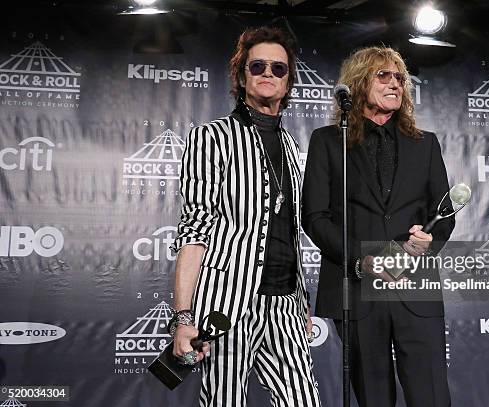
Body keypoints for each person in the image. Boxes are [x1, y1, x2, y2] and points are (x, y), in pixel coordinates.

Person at [169, 26, 321, 407]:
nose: (268, 73)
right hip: (228, 304)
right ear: (242, 76)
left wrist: (300, 301)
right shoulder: (211, 137)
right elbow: (194, 229)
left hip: (285, 303)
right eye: (258, 66)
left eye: (279, 68)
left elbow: (286, 230)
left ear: (288, 83)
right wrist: (183, 318)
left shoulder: (290, 145)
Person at [302, 46, 454, 407]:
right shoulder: (328, 141)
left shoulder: (426, 144)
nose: (395, 83)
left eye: (399, 77)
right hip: (356, 290)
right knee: (373, 398)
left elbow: (444, 212)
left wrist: (428, 242)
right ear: (357, 83)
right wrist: (363, 259)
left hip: (414, 285)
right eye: (383, 75)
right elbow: (315, 216)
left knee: (431, 396)